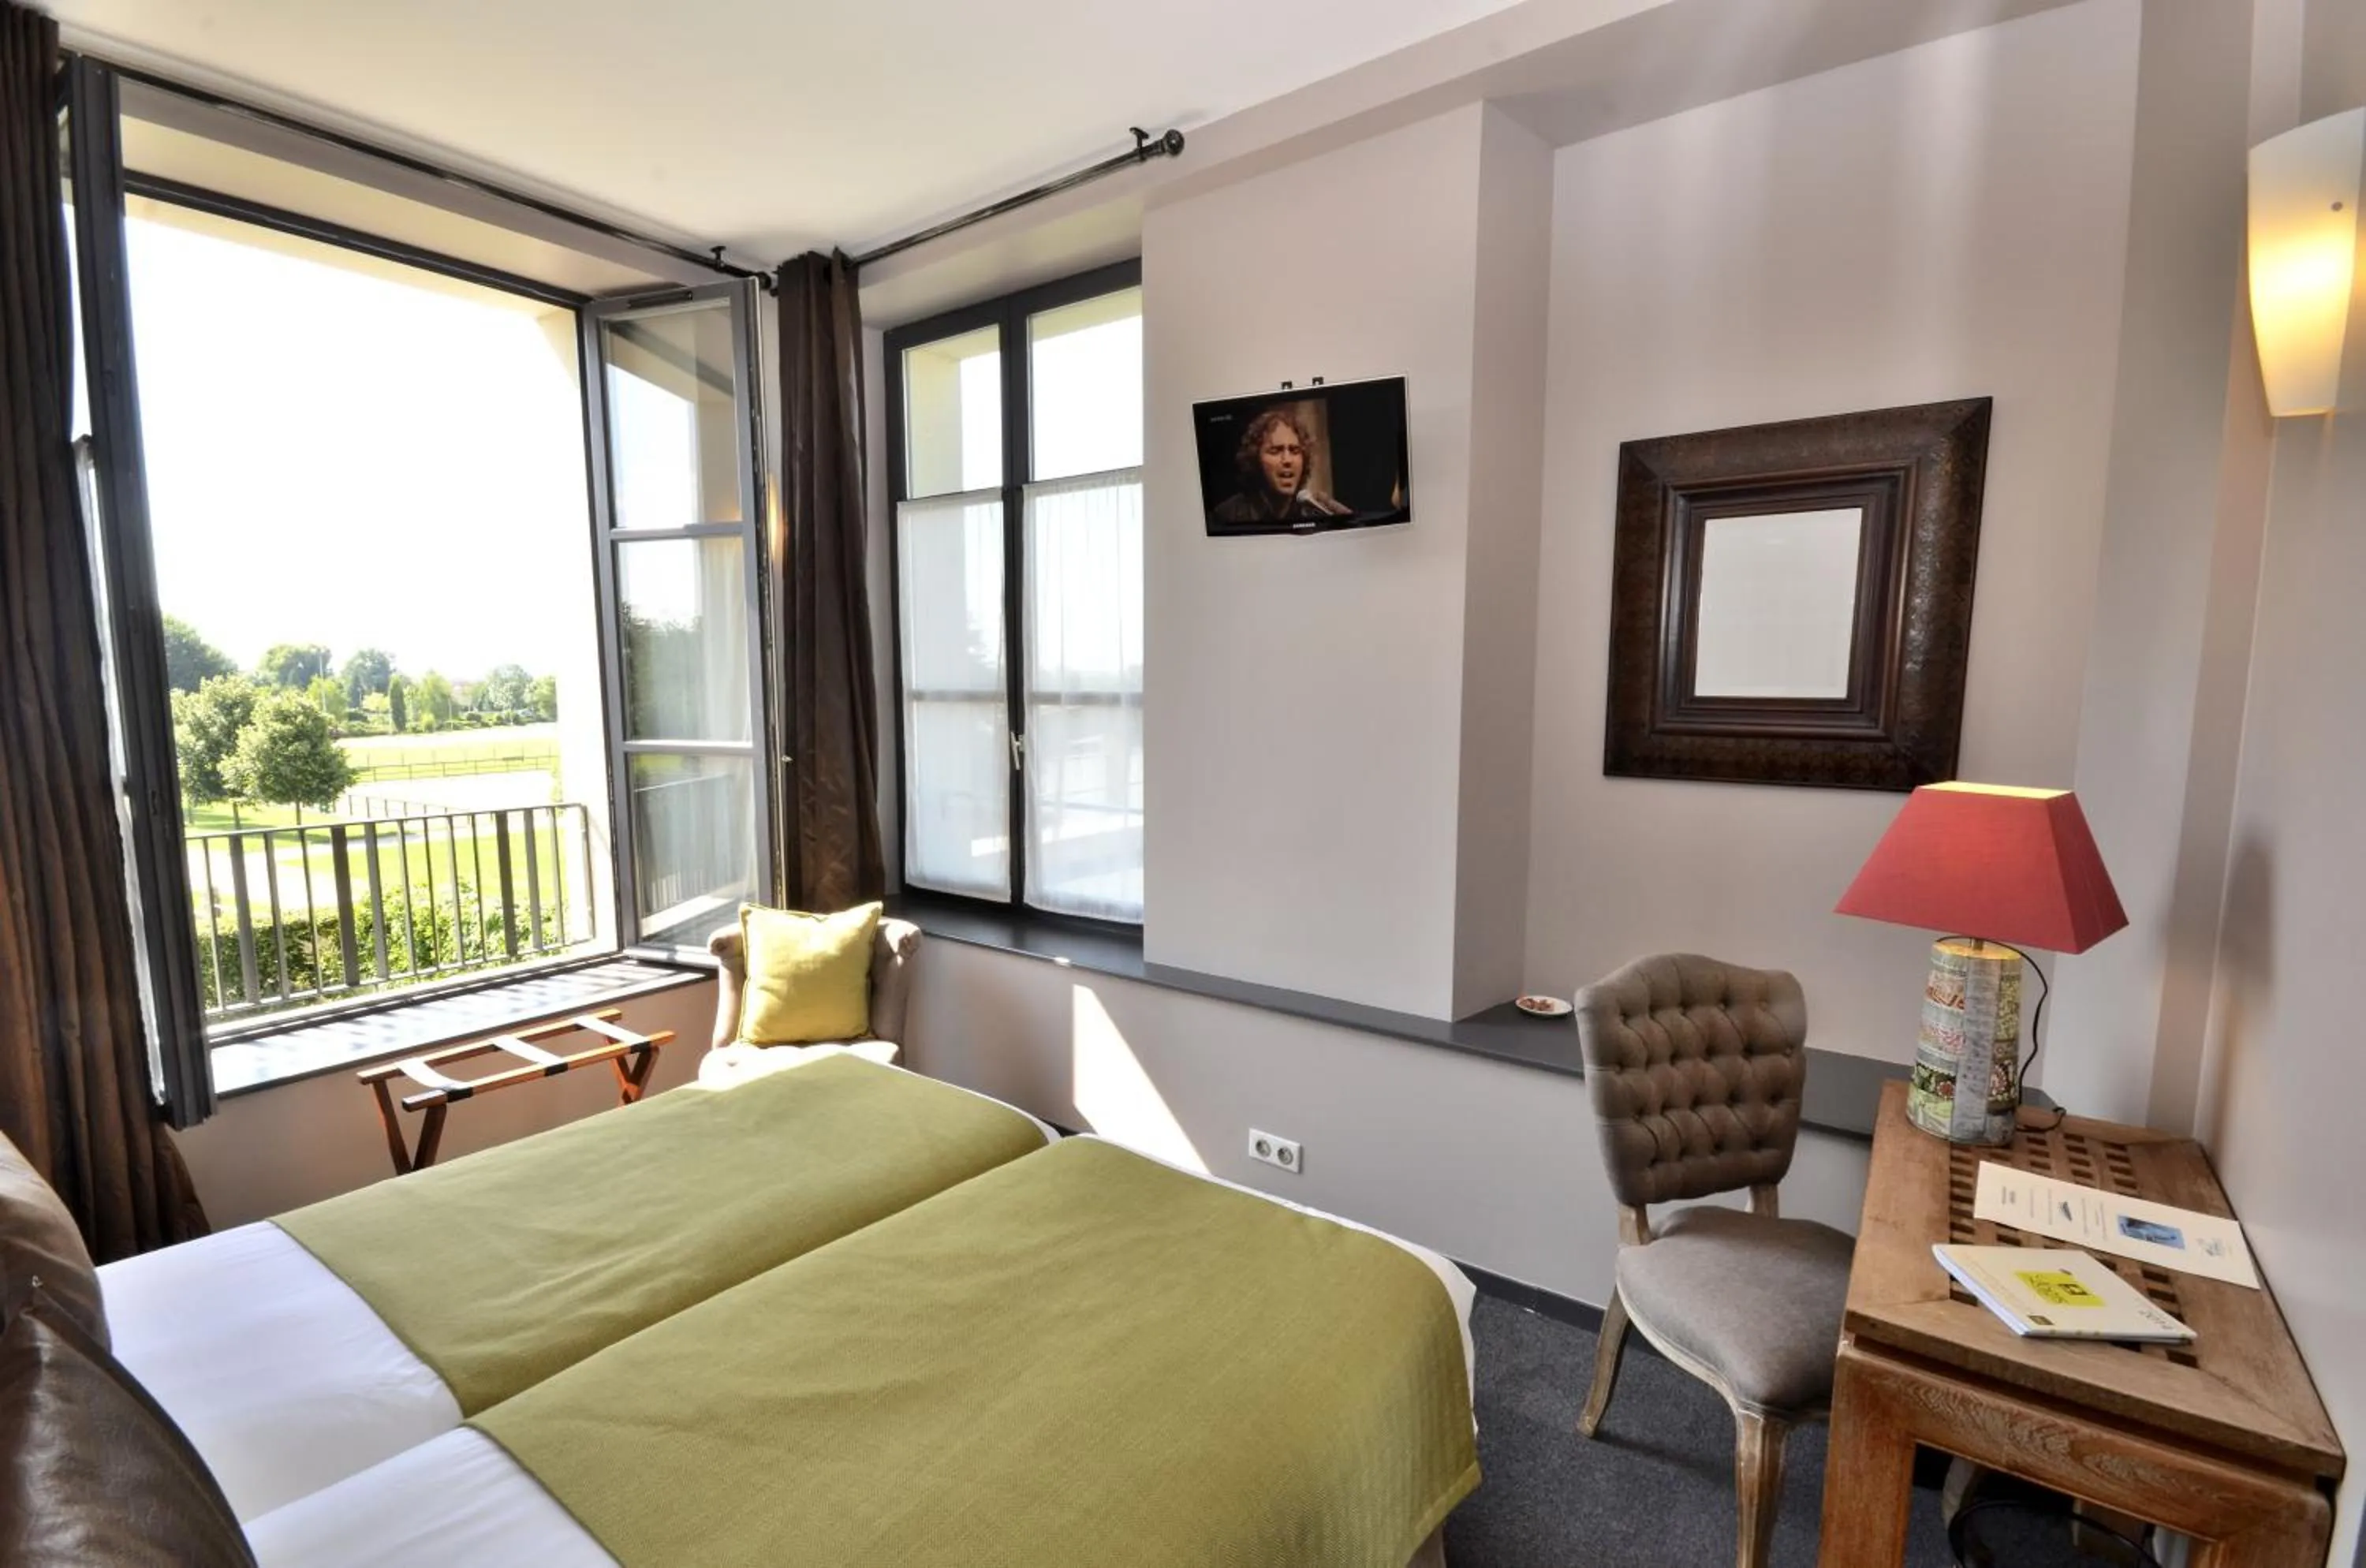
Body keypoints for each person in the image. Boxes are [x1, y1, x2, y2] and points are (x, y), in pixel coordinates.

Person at [1209, 405, 1356, 525]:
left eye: (1295, 450)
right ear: (1255, 459)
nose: (1287, 460)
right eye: (1275, 451)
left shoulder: (1312, 511)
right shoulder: (1227, 515)